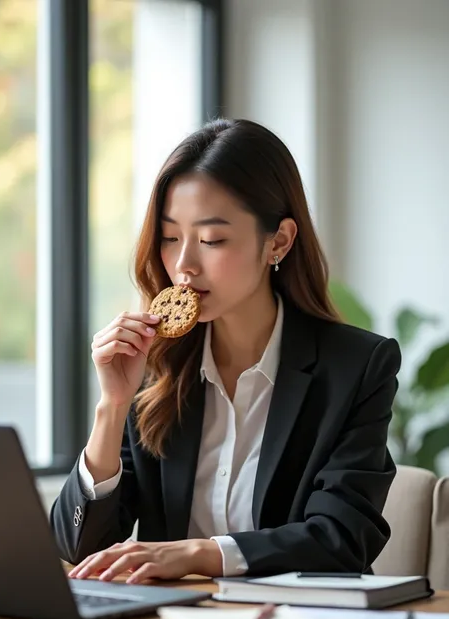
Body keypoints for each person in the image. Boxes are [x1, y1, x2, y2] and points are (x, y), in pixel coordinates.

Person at [51, 117, 402, 586]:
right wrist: (112, 407)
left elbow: (342, 538)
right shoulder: (153, 365)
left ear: (278, 241)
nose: (182, 266)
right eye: (170, 237)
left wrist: (201, 554)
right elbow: (79, 550)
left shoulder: (356, 368)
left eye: (212, 240)